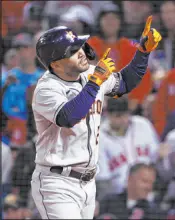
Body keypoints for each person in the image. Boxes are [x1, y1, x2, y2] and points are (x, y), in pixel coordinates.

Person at [30, 16, 162, 219]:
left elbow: (125, 82)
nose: (82, 53)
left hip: (87, 182)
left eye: (80, 47)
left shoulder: (89, 75)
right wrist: (95, 83)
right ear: (55, 64)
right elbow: (68, 117)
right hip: (57, 182)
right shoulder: (47, 89)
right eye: (73, 52)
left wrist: (143, 53)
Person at [96, 97, 159, 199]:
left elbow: (156, 156)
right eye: (118, 116)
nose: (123, 120)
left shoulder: (143, 124)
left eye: (126, 114)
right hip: (121, 195)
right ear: (108, 115)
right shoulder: (99, 138)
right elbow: (103, 180)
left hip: (149, 188)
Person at [2, 33, 44, 147]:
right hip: (7, 136)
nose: (21, 52)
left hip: (33, 136)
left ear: (34, 51)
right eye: (17, 48)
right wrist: (4, 87)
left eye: (25, 47)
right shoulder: (6, 78)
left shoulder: (44, 78)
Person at [98, 163, 166, 219]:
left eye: (152, 183)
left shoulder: (155, 213)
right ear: (130, 179)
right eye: (145, 181)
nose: (149, 187)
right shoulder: (108, 202)